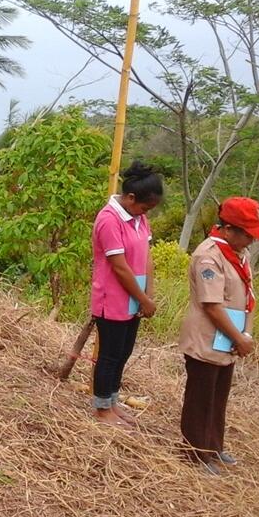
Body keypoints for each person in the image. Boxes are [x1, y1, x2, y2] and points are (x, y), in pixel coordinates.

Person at [179, 197, 259, 475]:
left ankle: (213, 446)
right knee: (201, 397)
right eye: (248, 234)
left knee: (219, 396)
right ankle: (195, 453)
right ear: (229, 229)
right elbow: (212, 305)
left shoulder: (239, 255)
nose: (251, 241)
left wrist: (245, 333)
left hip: (228, 341)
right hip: (207, 339)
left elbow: (247, 296)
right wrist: (239, 337)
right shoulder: (209, 255)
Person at [89, 161, 163, 428]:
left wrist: (148, 293)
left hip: (134, 298)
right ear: (131, 197)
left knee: (124, 352)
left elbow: (146, 256)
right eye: (145, 207)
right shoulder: (109, 220)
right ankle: (101, 407)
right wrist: (143, 298)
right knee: (109, 354)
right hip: (112, 298)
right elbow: (119, 266)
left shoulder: (139, 219)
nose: (146, 213)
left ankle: (112, 402)